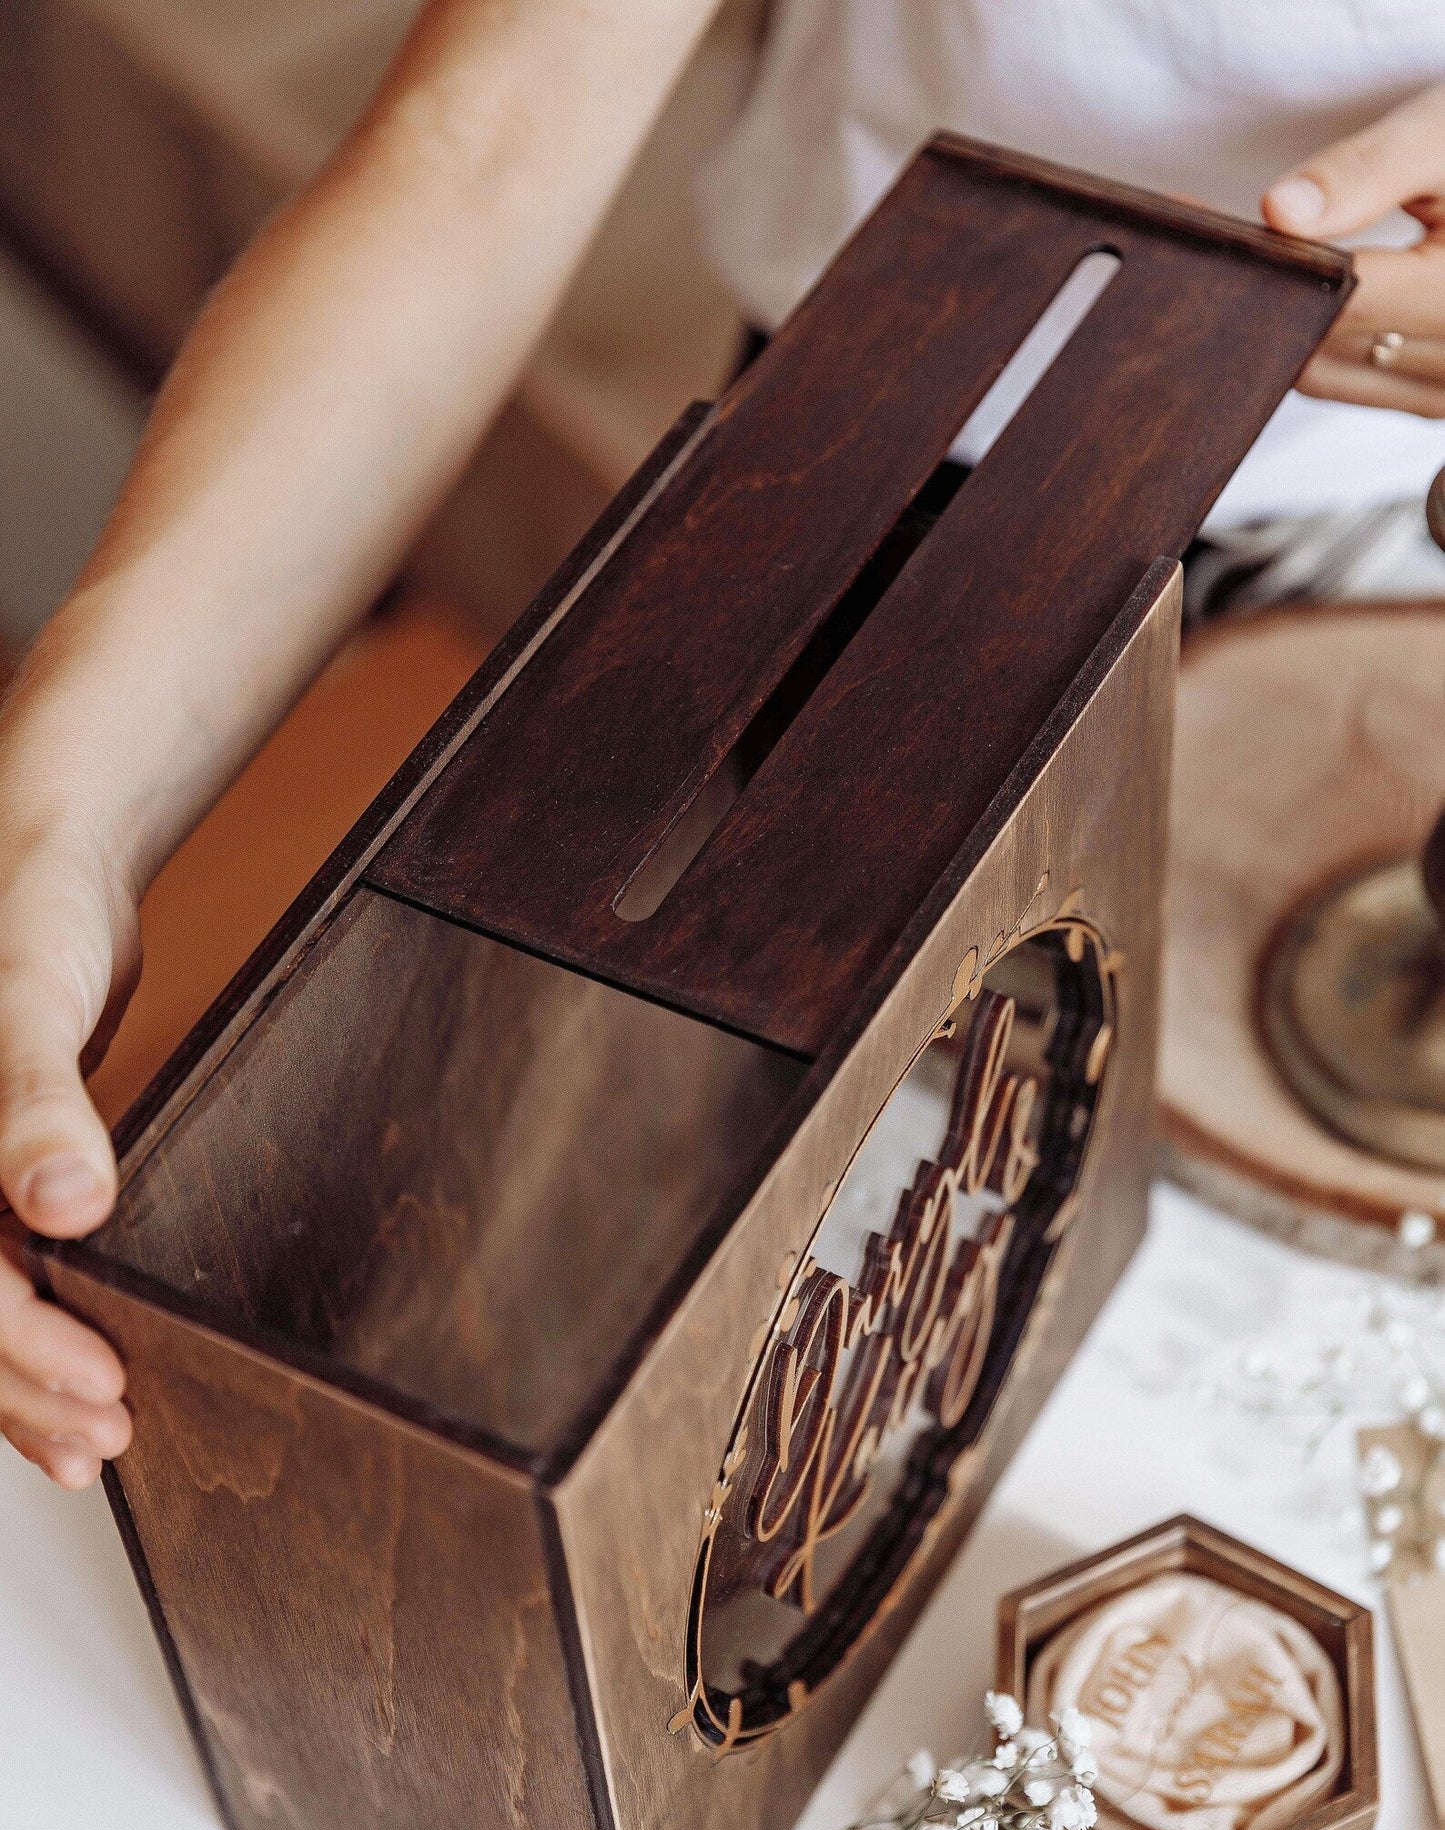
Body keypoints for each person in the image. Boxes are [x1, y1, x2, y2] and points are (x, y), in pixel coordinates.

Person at [3, 0, 1445, 1489]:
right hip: (906, 400)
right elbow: (480, 136)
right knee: (823, 1222)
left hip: (1393, 523)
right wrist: (64, 823)